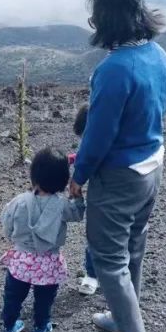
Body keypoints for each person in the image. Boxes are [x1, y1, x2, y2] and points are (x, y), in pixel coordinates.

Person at [69, 0, 166, 332]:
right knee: (133, 248)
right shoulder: (160, 56)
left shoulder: (114, 69)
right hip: (152, 167)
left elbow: (98, 132)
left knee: (108, 255)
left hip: (120, 175)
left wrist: (79, 174)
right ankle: (123, 317)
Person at [0, 147, 86, 332]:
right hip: (49, 261)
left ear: (34, 175)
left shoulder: (19, 201)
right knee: (44, 299)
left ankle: (9, 326)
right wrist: (78, 198)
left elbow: (6, 221)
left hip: (21, 259)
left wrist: (14, 238)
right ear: (63, 180)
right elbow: (78, 215)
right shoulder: (62, 205)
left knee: (13, 296)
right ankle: (40, 326)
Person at [68, 104, 99, 296]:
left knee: (95, 233)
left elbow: (90, 157)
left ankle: (93, 275)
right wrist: (73, 158)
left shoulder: (101, 140)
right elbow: (86, 155)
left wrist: (77, 179)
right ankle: (96, 274)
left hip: (105, 193)